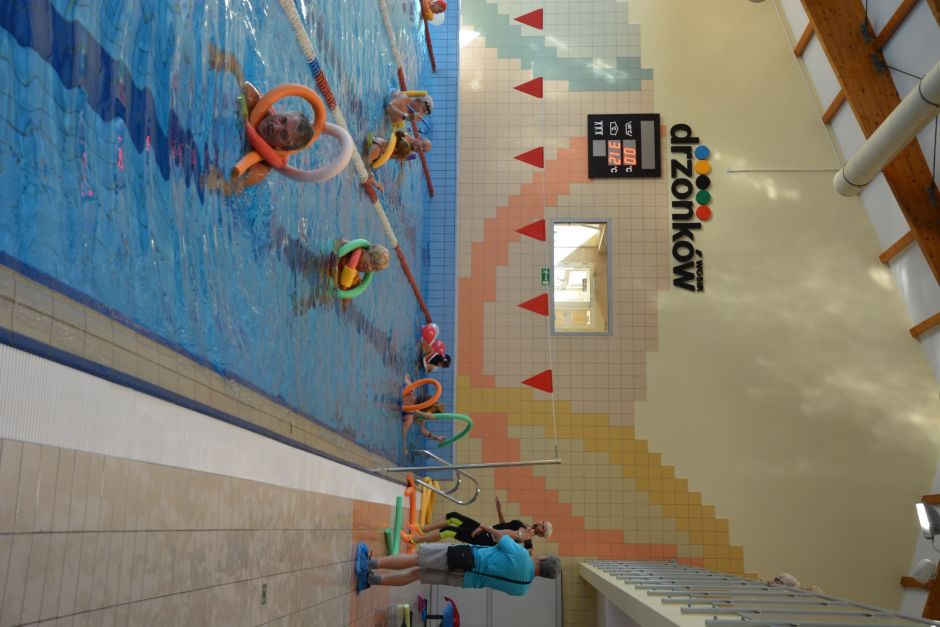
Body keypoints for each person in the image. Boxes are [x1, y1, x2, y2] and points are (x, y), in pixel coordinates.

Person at [204, 44, 316, 193]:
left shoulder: (259, 169)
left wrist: (217, 183)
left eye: (283, 135)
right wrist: (220, 58)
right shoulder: (253, 100)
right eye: (283, 120)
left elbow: (233, 187)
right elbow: (234, 66)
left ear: (281, 148)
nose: (275, 127)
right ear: (282, 113)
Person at [355, 535, 560, 596]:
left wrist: (517, 537)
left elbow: (500, 538)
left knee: (418, 558)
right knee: (417, 574)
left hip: (466, 557)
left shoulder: (523, 556)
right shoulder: (523, 590)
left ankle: (368, 564)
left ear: (543, 559)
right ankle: (370, 580)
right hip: (466, 580)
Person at [408, 498, 553, 550]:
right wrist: (499, 511)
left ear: (541, 534)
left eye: (542, 527)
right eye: (542, 522)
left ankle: (415, 540)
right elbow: (504, 526)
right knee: (454, 516)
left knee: (449, 530)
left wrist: (529, 547)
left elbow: (521, 543)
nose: (540, 524)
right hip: (486, 530)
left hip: (486, 539)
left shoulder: (527, 537)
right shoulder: (525, 526)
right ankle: (422, 529)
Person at [401, 373, 445, 455]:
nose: (429, 418)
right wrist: (404, 447)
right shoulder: (409, 417)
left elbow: (406, 375)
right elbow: (403, 433)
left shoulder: (411, 389)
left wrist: (437, 438)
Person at [366, 130, 432, 166]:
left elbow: (395, 157)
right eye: (423, 145)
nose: (421, 148)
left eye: (423, 150)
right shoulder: (405, 135)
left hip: (381, 156)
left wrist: (402, 155)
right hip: (379, 143)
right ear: (420, 139)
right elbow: (393, 135)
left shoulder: (412, 156)